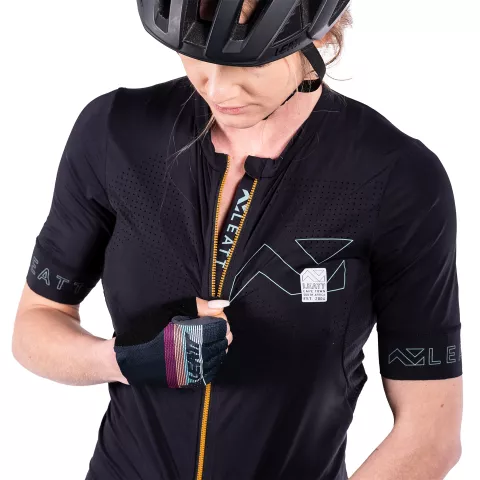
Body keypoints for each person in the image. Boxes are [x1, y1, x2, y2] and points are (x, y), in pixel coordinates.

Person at [12, 1, 463, 479]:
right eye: (196, 54)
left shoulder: (396, 178)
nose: (218, 88)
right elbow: (34, 326)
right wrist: (122, 359)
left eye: (251, 61)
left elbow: (430, 436)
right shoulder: (115, 133)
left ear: (317, 34)